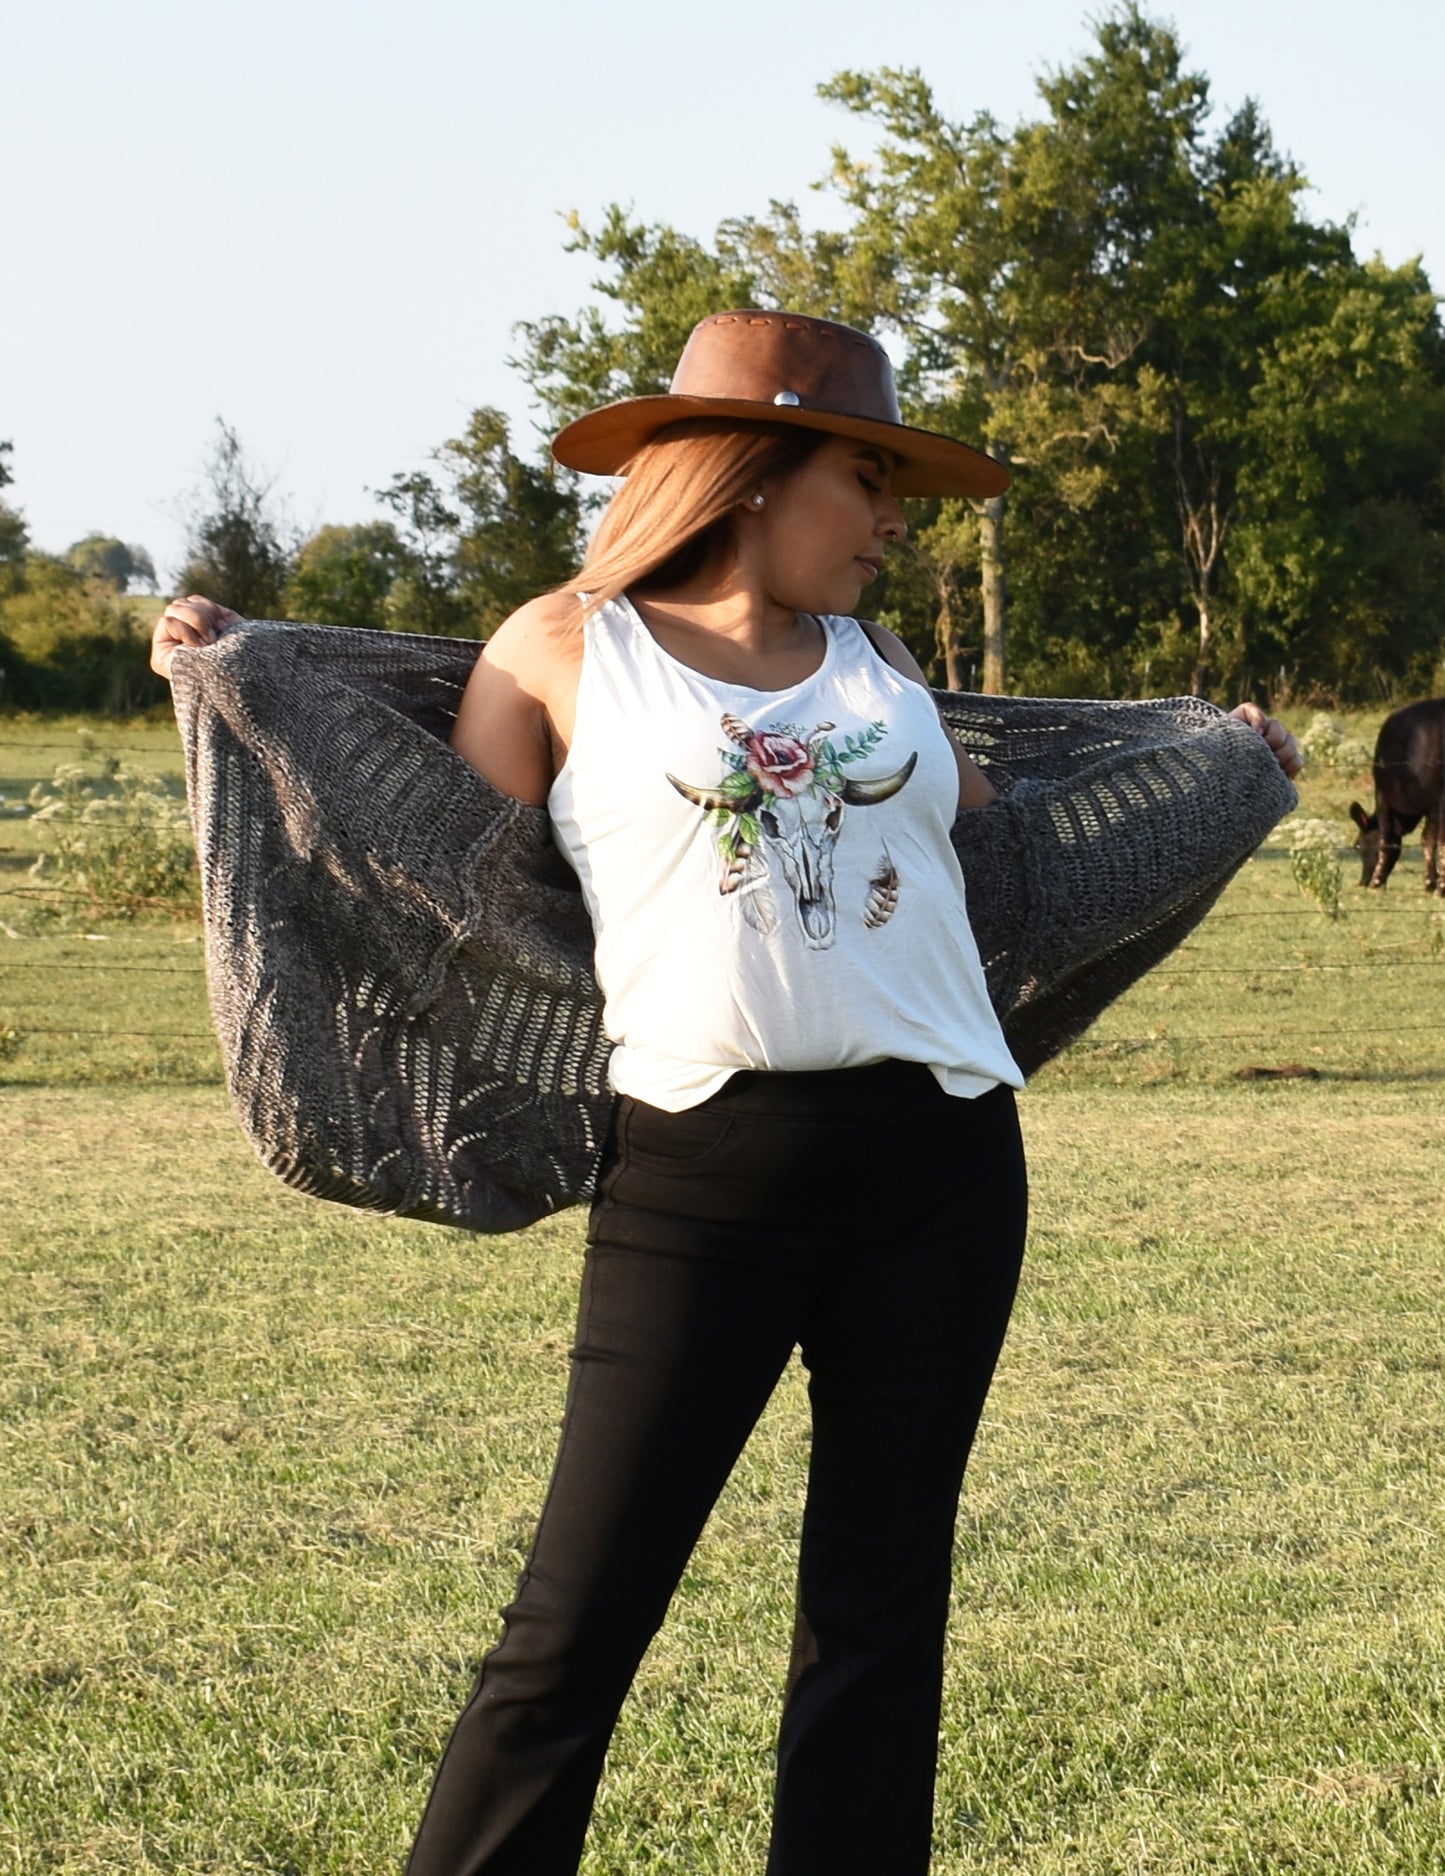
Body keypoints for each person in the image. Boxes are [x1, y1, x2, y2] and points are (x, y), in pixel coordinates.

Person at [152, 311, 1301, 1876]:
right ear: (755, 474)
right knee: (571, 1626)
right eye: (869, 475)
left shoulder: (878, 659)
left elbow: (1011, 834)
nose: (895, 517)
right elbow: (435, 862)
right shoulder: (559, 644)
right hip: (702, 1175)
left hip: (944, 1166)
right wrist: (251, 674)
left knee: (877, 1617)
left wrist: (1214, 763)